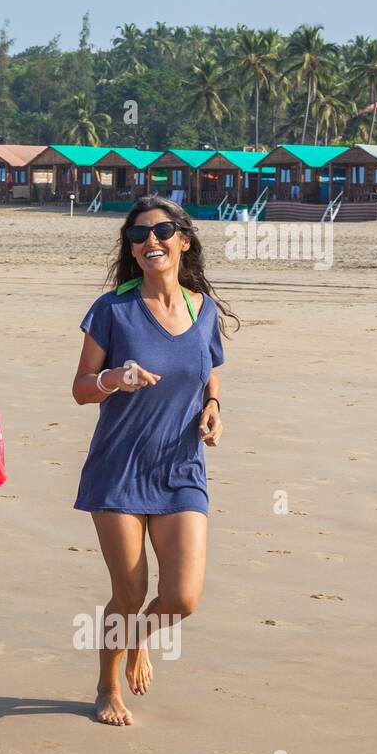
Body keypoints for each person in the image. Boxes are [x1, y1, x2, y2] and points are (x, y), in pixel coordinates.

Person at [71, 194, 238, 727]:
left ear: (183, 240)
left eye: (162, 231)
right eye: (139, 235)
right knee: (131, 591)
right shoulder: (113, 309)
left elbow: (209, 366)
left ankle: (138, 637)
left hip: (181, 468)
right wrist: (114, 379)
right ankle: (105, 687)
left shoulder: (204, 307)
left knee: (183, 597)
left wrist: (213, 406)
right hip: (119, 469)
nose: (151, 242)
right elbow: (80, 389)